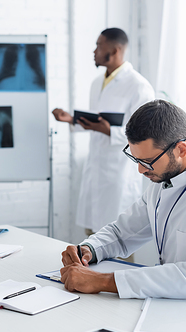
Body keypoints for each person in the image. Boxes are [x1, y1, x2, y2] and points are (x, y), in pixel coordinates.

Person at [60, 99, 186, 304]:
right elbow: (123, 232)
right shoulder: (164, 177)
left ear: (181, 150)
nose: (140, 170)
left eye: (147, 162)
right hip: (177, 302)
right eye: (136, 159)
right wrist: (90, 249)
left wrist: (103, 281)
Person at [52, 28, 155, 237]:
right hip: (95, 169)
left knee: (119, 239)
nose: (94, 51)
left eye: (99, 45)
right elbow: (96, 121)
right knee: (92, 238)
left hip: (119, 173)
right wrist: (72, 120)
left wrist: (110, 131)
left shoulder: (139, 86)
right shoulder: (97, 83)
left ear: (115, 50)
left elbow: (144, 134)